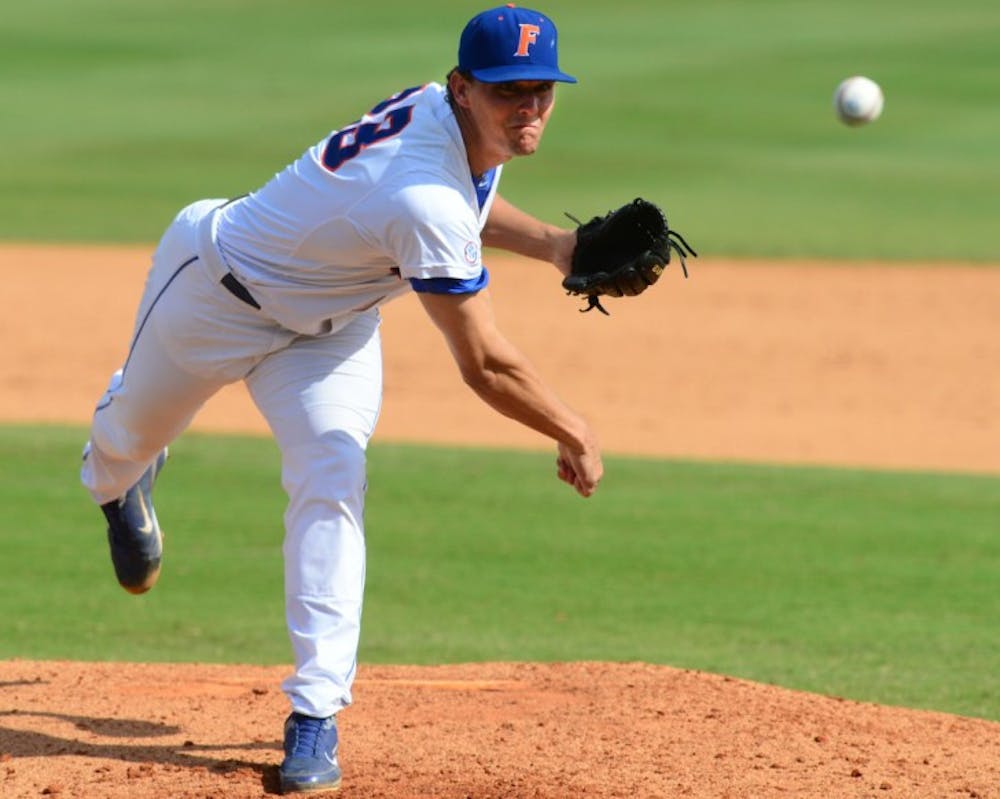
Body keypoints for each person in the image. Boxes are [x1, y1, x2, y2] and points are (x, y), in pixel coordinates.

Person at [81, 4, 602, 794]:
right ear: (464, 88)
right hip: (216, 294)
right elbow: (485, 362)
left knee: (333, 471)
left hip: (331, 330)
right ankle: (121, 482)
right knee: (122, 445)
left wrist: (556, 245)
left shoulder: (446, 118)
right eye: (508, 92)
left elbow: (470, 196)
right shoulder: (421, 198)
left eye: (542, 89)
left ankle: (315, 714)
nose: (528, 106)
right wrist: (572, 428)